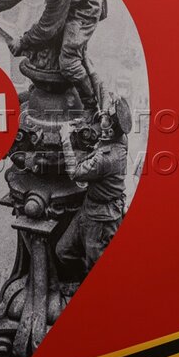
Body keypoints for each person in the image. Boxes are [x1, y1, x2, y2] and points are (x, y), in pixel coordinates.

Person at [55, 93, 130, 275]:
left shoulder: (106, 159)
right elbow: (100, 140)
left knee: (95, 266)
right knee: (63, 251)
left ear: (111, 131)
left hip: (101, 220)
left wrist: (65, 139)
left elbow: (74, 173)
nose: (102, 118)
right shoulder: (120, 138)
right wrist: (81, 125)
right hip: (90, 207)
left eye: (106, 119)